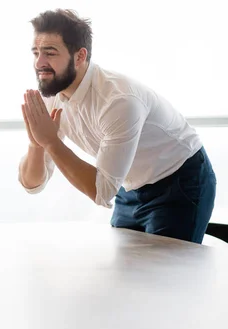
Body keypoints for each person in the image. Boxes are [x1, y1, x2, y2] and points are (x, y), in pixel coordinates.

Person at [18, 9, 216, 244]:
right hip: (129, 183)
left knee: (168, 274)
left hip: (180, 178)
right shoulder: (52, 95)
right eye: (36, 52)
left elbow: (101, 192)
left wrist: (50, 142)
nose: (39, 63)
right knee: (126, 272)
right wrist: (36, 143)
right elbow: (32, 185)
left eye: (49, 53)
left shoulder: (119, 100)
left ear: (80, 57)